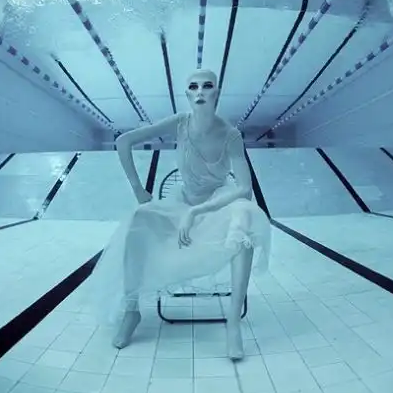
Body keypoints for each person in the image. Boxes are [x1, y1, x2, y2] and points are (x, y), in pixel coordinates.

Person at [81, 69, 271, 361]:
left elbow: (244, 188)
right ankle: (132, 311)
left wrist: (198, 211)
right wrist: (138, 189)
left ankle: (233, 324)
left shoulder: (230, 135)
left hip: (216, 206)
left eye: (207, 86)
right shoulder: (180, 123)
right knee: (137, 220)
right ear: (187, 94)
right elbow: (124, 142)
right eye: (193, 87)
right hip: (181, 203)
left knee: (243, 219)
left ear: (217, 93)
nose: (200, 91)